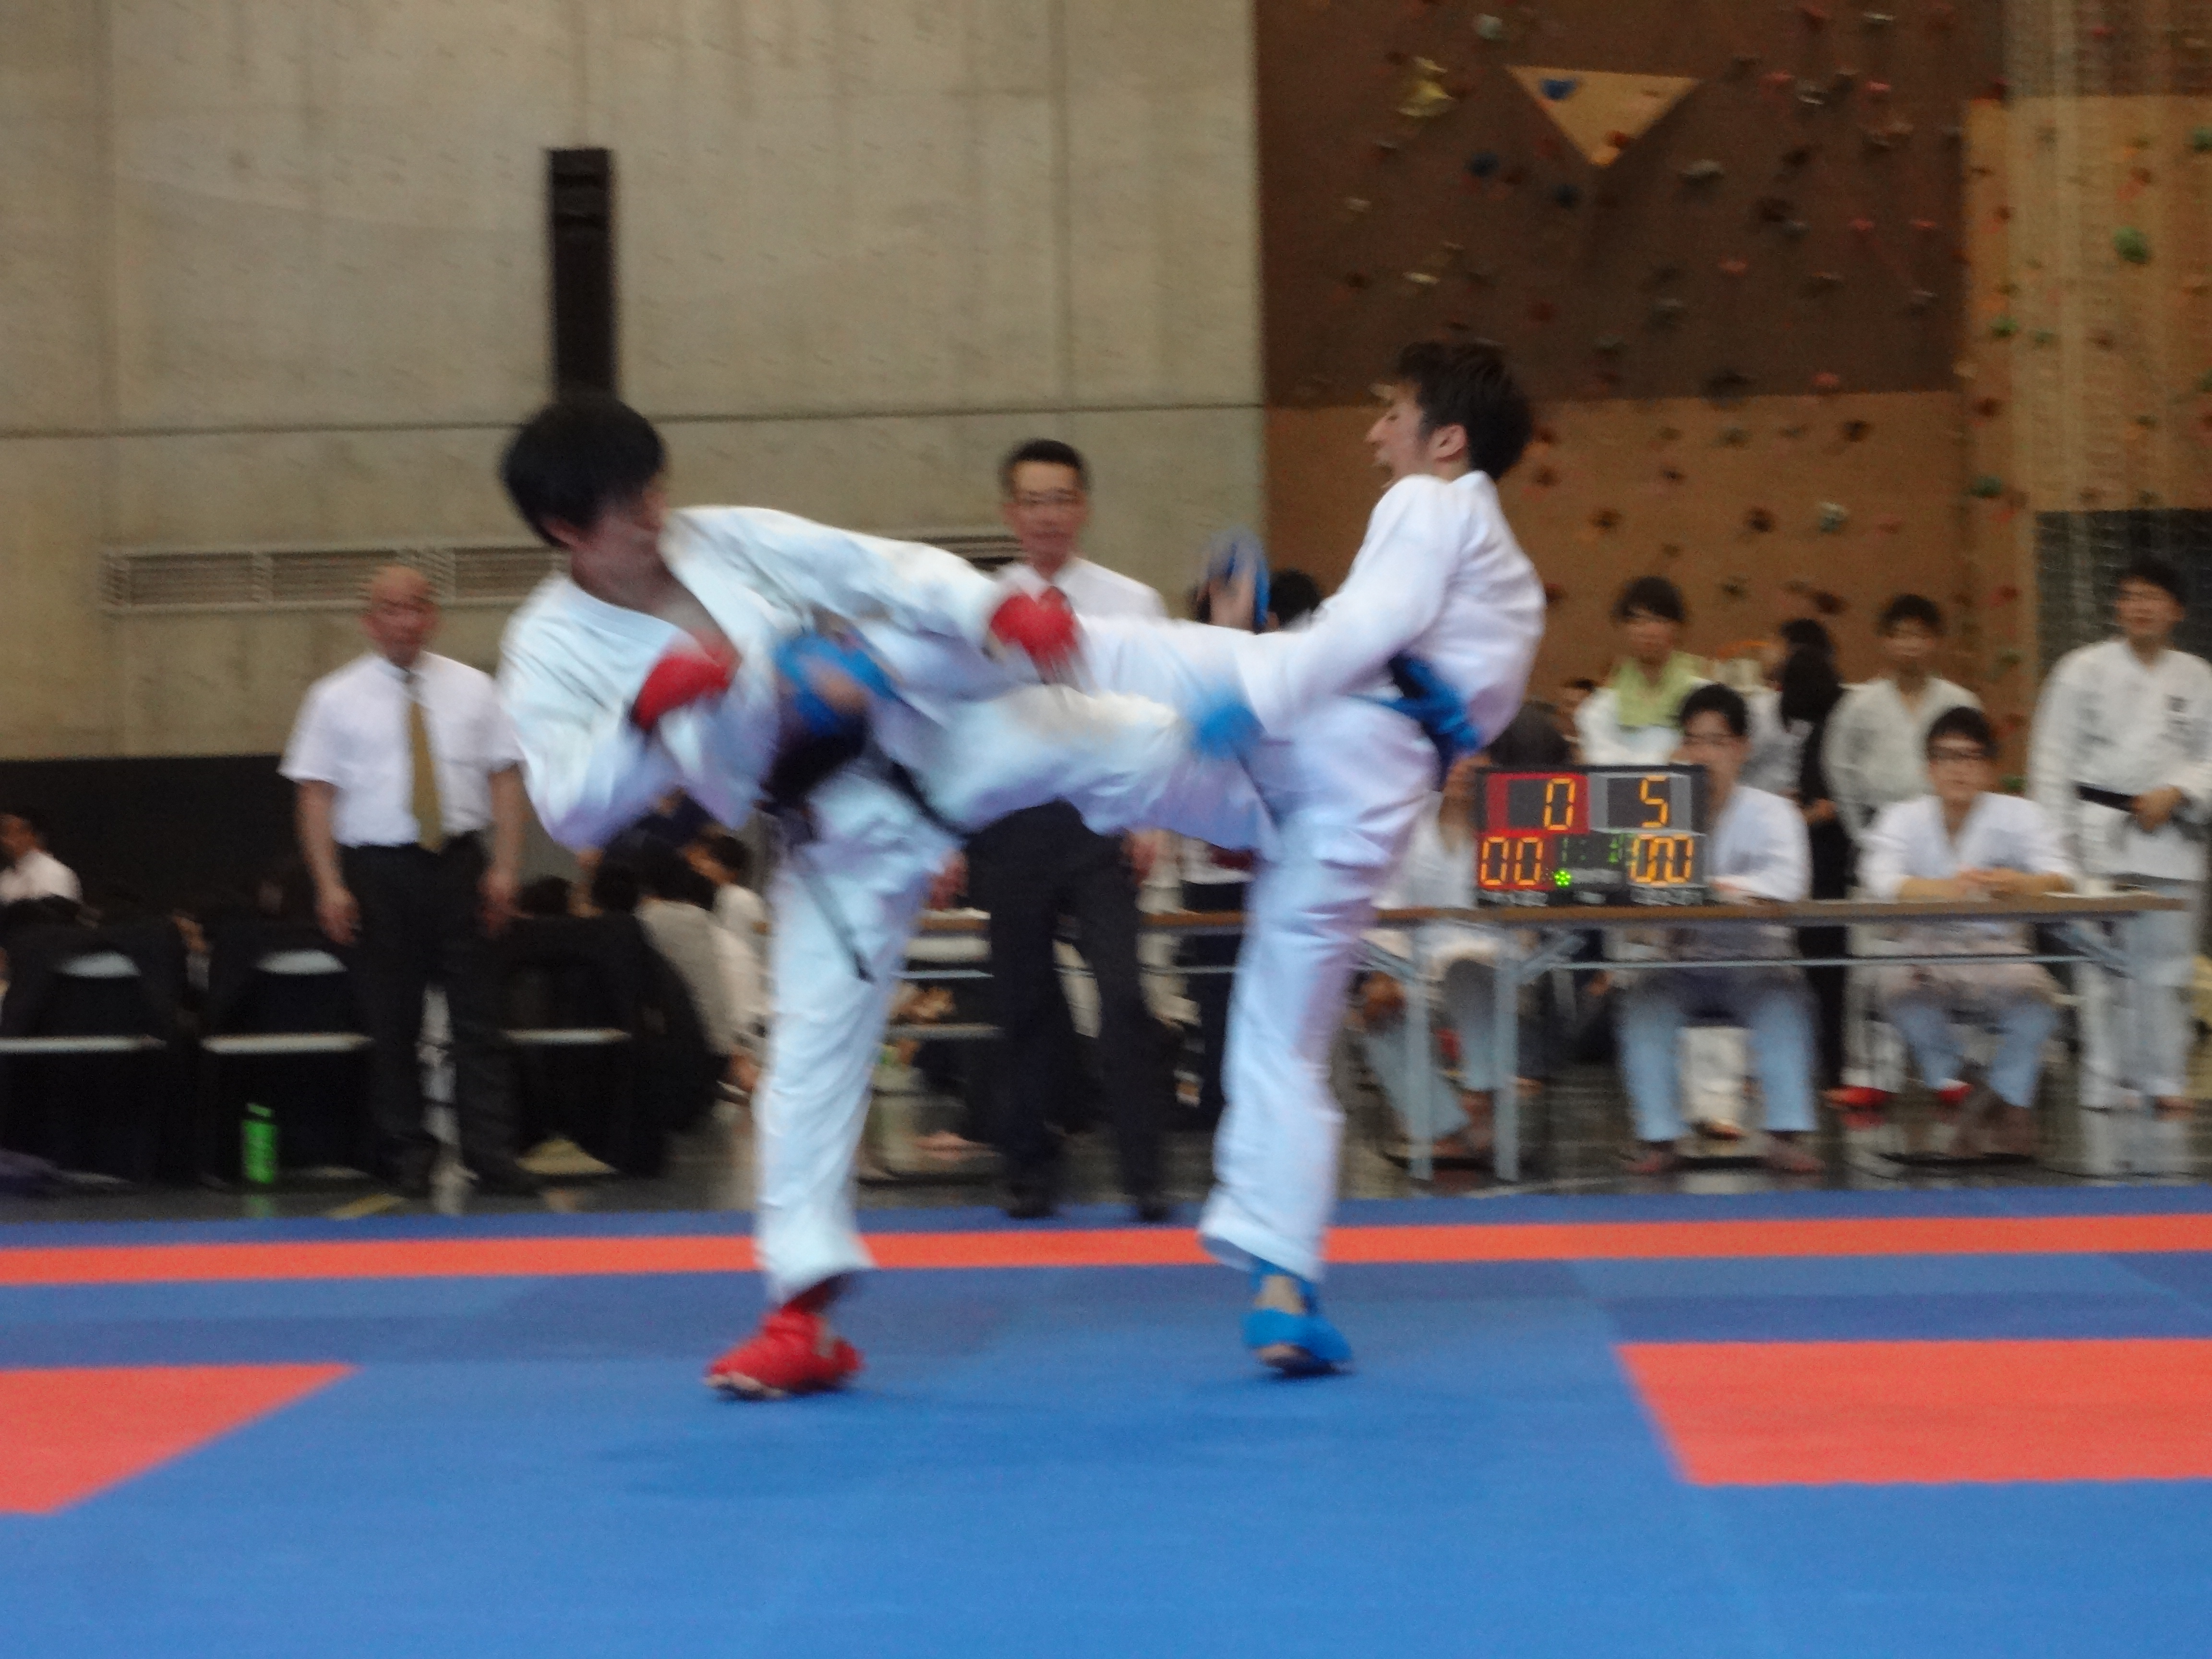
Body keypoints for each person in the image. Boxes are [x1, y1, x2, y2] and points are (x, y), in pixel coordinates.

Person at [492, 395, 1278, 1400]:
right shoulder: (547, 645)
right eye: (626, 507)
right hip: (833, 834)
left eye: (653, 488)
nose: (654, 514)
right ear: (565, 528)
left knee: (1123, 739)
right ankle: (800, 1316)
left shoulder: (719, 536)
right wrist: (641, 721)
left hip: (925, 733)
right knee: (809, 1060)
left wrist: (990, 610)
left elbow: (877, 566)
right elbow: (569, 805)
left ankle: (1274, 814)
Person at [1072, 339, 1546, 1372]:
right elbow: (1431, 692)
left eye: (1392, 413)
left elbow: (1369, 626)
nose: (1375, 436)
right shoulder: (1513, 588)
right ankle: (1284, 1286)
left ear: (1446, 440)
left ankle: (916, 646)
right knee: (1280, 1036)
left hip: (1319, 738)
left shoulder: (1430, 503)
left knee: (1107, 654)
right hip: (1366, 811)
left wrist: (1254, 692)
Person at [962, 438, 1174, 1222]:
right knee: (1022, 1000)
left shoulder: (1131, 602)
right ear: (1009, 512)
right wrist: (948, 837)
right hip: (1012, 820)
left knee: (1122, 993)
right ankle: (1030, 1166)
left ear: (1082, 507)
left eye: (1061, 499)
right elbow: (958, 726)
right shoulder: (977, 608)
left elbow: (1159, 713)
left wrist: (1152, 818)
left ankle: (1145, 1171)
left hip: (1102, 814)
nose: (1047, 515)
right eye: (1033, 501)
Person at [281, 565, 536, 1198]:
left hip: (460, 865)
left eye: (415, 607)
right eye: (390, 610)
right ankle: (407, 1150)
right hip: (378, 872)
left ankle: (490, 1152)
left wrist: (506, 867)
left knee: (479, 1018)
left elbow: (506, 777)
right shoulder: (334, 697)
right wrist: (329, 884)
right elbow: (315, 795)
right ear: (370, 621)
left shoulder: (475, 688)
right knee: (392, 1021)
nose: (404, 621)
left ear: (433, 616)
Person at [2030, 555, 2212, 1122]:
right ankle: (2108, 1080)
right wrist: (2054, 845)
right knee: (2104, 970)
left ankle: (2163, 1078)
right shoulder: (2081, 670)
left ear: (2176, 610)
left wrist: (2178, 790)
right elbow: (2051, 758)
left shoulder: (2198, 677)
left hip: (2171, 833)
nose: (2138, 607)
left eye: (2151, 597)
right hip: (2098, 834)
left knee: (2170, 967)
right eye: (2129, 596)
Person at [1615, 684, 1823, 1176]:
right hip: (1679, 964)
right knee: (1643, 1008)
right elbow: (1631, 883)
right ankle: (1660, 1139)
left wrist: (1710, 889)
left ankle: (1784, 1135)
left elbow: (1789, 883)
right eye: (1693, 741)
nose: (1703, 754)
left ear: (1742, 748)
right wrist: (1723, 891)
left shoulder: (1775, 812)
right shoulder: (1655, 814)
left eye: (1716, 741)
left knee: (1785, 1004)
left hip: (1755, 962)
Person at [1859, 707, 2075, 1155]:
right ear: (1929, 768)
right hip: (1924, 948)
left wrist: (2021, 884)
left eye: (1971, 757)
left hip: (1996, 949)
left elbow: (2063, 877)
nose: (1958, 769)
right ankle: (1979, 1087)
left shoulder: (2020, 815)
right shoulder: (1902, 817)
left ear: (1990, 768)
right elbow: (1880, 879)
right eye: (1946, 757)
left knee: (2039, 1005)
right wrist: (1948, 889)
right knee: (1898, 994)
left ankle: (2001, 1101)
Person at [1359, 707, 1570, 1165]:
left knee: (1466, 972)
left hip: (1503, 971)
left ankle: (1482, 1096)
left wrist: (1543, 897)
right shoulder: (1406, 824)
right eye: (1452, 756)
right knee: (1377, 1017)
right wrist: (1384, 974)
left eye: (1477, 756)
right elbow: (1388, 908)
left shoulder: (1519, 822)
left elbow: (1551, 897)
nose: (1464, 767)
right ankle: (1446, 1128)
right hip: (1419, 971)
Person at [1822, 594, 1980, 1115]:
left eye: (1920, 634)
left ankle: (1949, 1072)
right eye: (1900, 634)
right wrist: (1862, 835)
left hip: (1944, 837)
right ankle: (1870, 1075)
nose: (1910, 644)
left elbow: (1975, 767)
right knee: (1872, 962)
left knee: (1948, 958)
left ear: (1935, 642)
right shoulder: (1860, 703)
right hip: (1880, 836)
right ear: (1884, 641)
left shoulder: (1959, 701)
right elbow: (1839, 771)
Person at [1782, 645, 1852, 1090]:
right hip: (1826, 858)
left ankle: (1832, 1066)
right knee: (1826, 970)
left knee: (1826, 967)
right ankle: (1829, 1064)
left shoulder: (1829, 730)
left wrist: (1792, 819)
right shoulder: (1831, 725)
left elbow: (1831, 805)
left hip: (1828, 860)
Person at [1576, 577, 1708, 765]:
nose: (1648, 631)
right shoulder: (1604, 703)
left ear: (1677, 627)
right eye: (1637, 621)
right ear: (1624, 628)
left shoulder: (1701, 693)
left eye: (1658, 620)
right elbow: (1596, 759)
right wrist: (1663, 759)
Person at [0, 810, 80, 906]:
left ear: (30, 835)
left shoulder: (54, 874)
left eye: (12, 832)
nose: (5, 841)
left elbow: (56, 913)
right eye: (4, 833)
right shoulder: (6, 878)